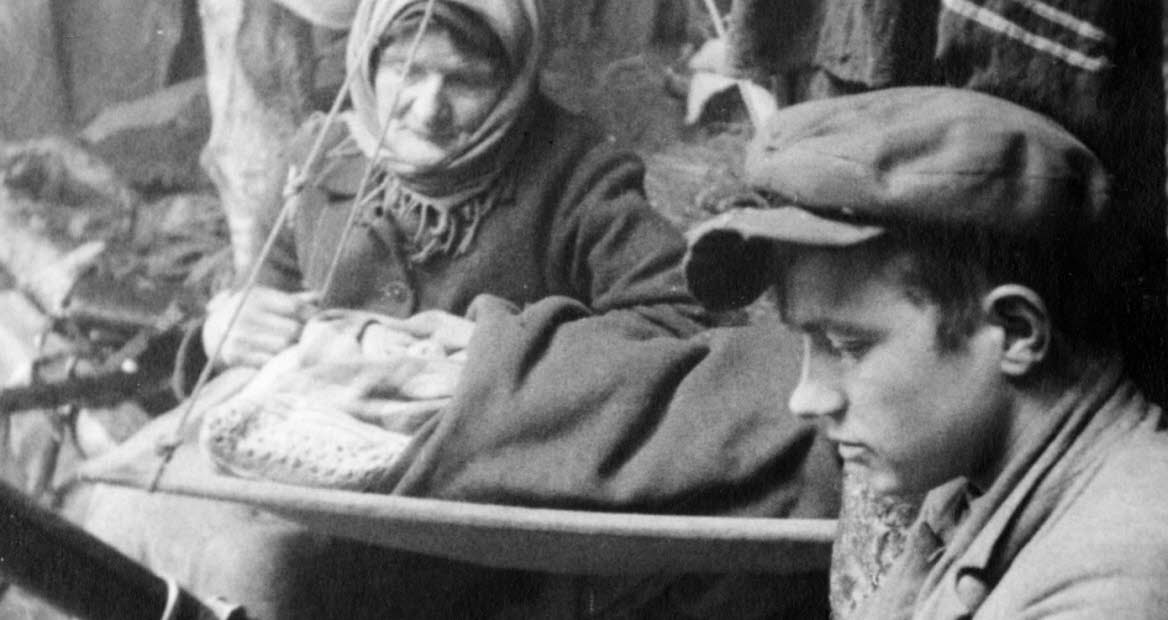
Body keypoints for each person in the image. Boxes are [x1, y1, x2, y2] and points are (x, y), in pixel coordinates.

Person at [69, 1, 840, 618]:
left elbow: (683, 327)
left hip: (467, 514)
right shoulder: (325, 159)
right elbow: (261, 303)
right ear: (367, 62)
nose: (429, 107)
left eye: (464, 79)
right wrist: (225, 328)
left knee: (261, 573)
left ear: (512, 74)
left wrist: (482, 353)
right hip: (310, 472)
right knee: (113, 514)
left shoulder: (574, 175)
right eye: (406, 70)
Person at [679, 86, 1168, 617]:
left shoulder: (1110, 586)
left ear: (1017, 332)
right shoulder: (977, 490)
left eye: (848, 346)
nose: (805, 398)